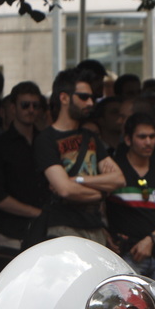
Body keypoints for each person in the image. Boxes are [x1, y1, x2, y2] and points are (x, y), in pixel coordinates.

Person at [33, 68, 124, 246]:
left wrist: (80, 180)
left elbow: (119, 179)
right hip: (63, 227)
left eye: (91, 97)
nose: (90, 102)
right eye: (83, 97)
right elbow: (65, 189)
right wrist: (102, 192)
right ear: (64, 98)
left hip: (95, 226)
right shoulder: (46, 139)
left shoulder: (90, 137)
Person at [106, 113, 155, 283]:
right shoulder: (115, 170)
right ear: (128, 140)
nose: (148, 142)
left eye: (152, 136)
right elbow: (98, 207)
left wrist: (151, 240)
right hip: (123, 255)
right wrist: (104, 233)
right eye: (142, 137)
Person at [0, 81, 51, 249]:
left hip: (47, 233)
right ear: (13, 108)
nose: (31, 110)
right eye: (25, 105)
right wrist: (38, 214)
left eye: (35, 106)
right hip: (13, 234)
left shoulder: (46, 141)